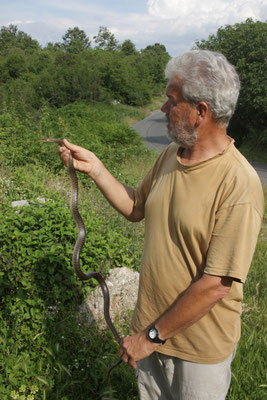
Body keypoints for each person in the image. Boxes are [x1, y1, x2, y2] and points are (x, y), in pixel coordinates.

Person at [59, 50, 264, 400]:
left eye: (171, 101)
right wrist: (95, 168)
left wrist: (149, 338)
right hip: (151, 335)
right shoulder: (172, 155)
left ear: (200, 112)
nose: (162, 110)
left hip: (197, 353)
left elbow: (216, 285)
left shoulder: (238, 183)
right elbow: (135, 206)